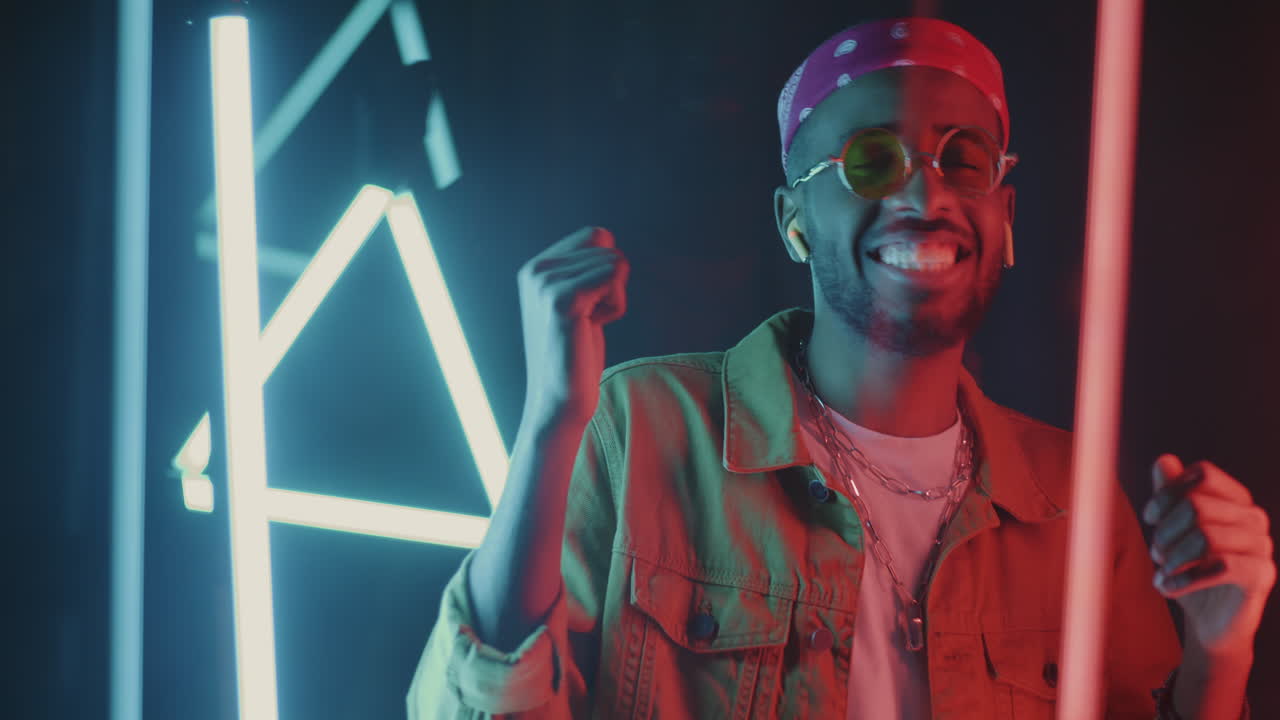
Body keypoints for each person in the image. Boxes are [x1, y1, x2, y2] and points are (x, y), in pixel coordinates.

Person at [407, 17, 1274, 719]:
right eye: (871, 161)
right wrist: (551, 422)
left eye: (962, 159)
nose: (925, 195)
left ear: (1003, 215)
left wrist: (1221, 649)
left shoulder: (1075, 503)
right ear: (793, 221)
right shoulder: (642, 425)